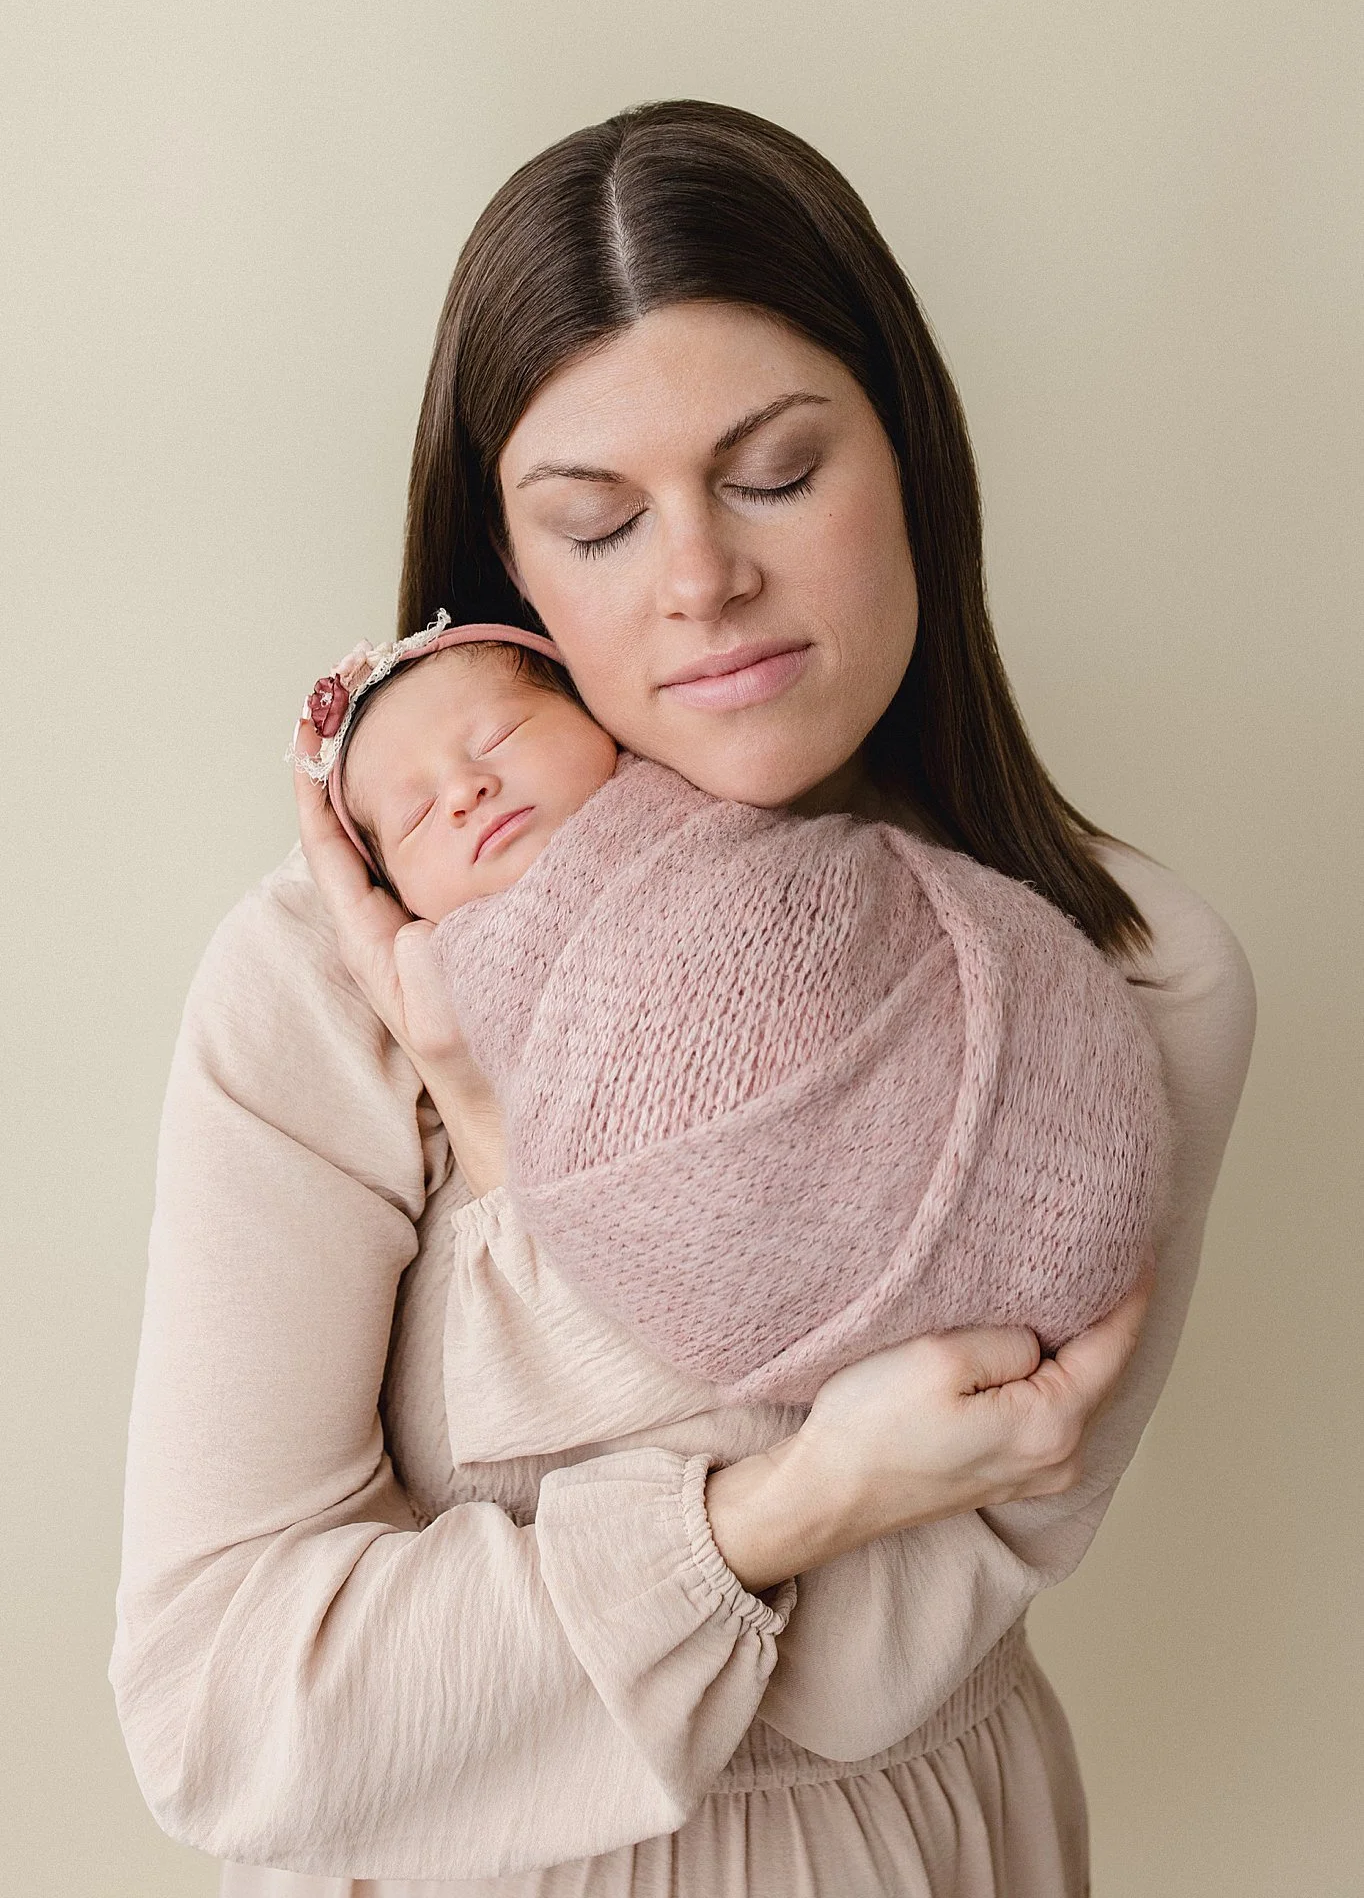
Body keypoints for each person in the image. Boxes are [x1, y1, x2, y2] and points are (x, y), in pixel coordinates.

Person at [111, 100, 1257, 1896]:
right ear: (503, 581)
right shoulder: (322, 986)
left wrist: (513, 1156)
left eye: (776, 474)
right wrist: (789, 1501)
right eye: (592, 520)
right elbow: (222, 1710)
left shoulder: (1108, 987)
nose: (699, 579)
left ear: (912, 462)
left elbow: (857, 1683)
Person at [290, 606, 1169, 1397]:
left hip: (1030, 1094)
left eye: (500, 736)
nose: (464, 791)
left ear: (599, 722)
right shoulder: (424, 975)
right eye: (413, 816)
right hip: (795, 1290)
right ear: (398, 893)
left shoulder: (704, 801)